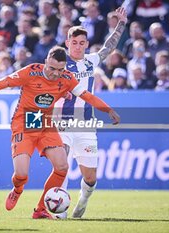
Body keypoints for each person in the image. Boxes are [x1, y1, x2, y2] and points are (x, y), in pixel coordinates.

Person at [0, 46, 120, 219]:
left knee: (62, 166)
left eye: (60, 69)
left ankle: (41, 208)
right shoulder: (30, 72)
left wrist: (108, 110)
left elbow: (87, 96)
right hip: (24, 124)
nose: (56, 73)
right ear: (45, 63)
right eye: (52, 68)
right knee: (21, 174)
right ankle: (17, 189)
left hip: (45, 124)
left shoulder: (67, 78)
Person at [53, 6, 127, 219]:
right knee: (62, 165)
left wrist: (121, 23)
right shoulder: (58, 63)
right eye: (74, 42)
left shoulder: (91, 61)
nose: (78, 46)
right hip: (62, 123)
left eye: (82, 43)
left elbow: (109, 46)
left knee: (91, 178)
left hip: (85, 125)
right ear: (67, 43)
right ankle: (61, 210)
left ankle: (82, 201)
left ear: (86, 44)